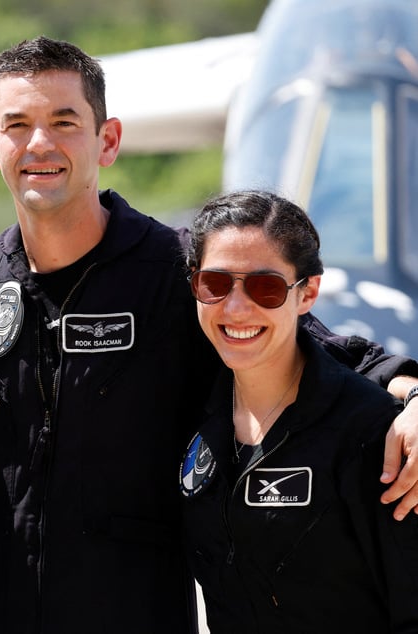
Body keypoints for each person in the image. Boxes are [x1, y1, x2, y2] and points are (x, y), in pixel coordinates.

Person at [0, 36, 418, 633]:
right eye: (18, 124)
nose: (40, 143)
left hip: (134, 612)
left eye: (64, 121)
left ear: (107, 139)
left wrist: (411, 392)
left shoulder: (175, 271)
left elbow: (304, 343)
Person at [179, 190, 418, 632]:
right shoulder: (190, 412)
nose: (235, 308)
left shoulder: (372, 432)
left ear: (307, 292)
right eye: (214, 284)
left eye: (265, 287)